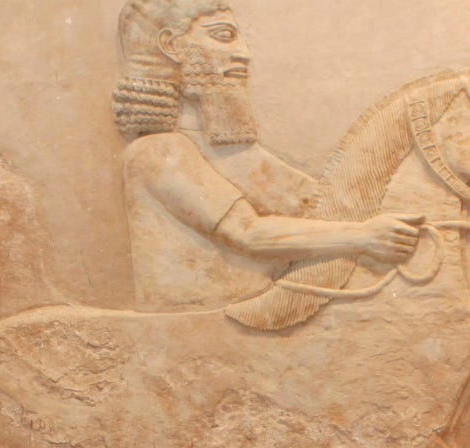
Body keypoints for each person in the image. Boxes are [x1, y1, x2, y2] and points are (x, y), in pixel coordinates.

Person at [114, 0, 425, 310]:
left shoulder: (235, 154)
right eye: (223, 36)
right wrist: (363, 236)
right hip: (200, 324)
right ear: (171, 46)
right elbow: (248, 233)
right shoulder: (157, 152)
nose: (244, 53)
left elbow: (320, 203)